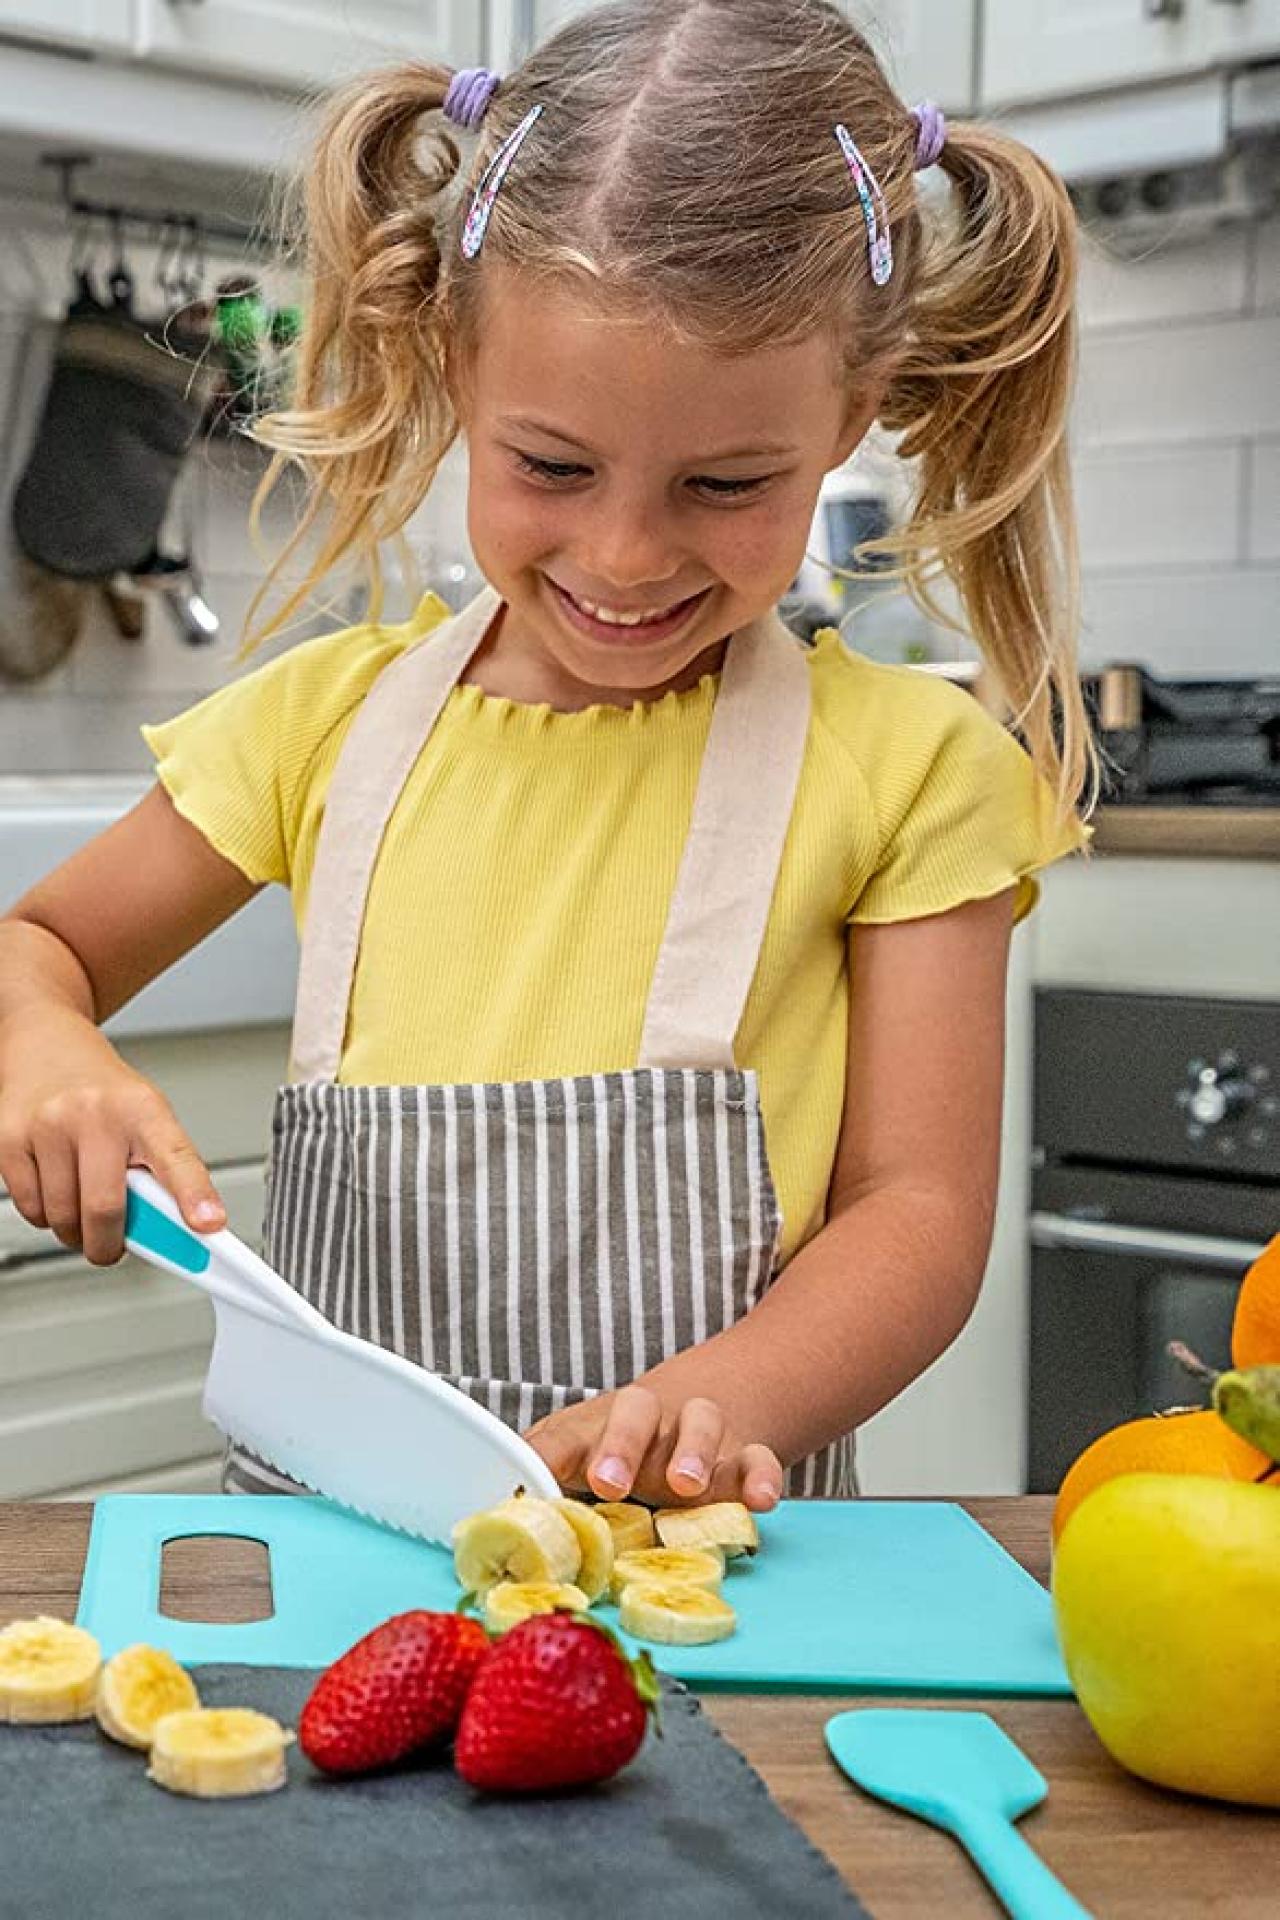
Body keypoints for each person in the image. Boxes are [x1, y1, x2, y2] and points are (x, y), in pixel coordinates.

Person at [0, 0, 1091, 1513]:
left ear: (852, 411)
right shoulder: (319, 723)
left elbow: (915, 1213)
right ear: (455, 364)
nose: (626, 553)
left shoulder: (912, 770)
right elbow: (37, 948)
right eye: (551, 466)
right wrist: (42, 1047)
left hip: (700, 1576)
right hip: (329, 1573)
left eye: (725, 482)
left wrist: (714, 1405)